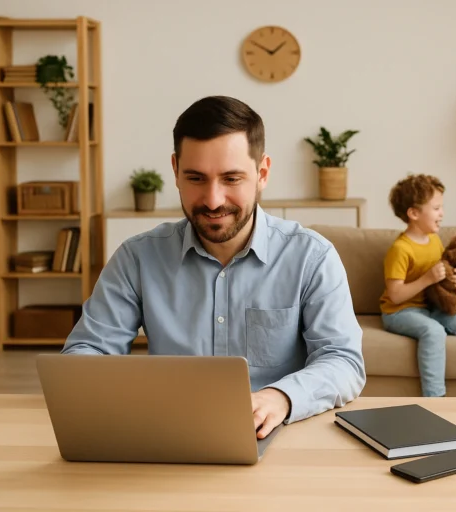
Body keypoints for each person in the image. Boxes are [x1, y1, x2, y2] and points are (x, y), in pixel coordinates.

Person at [62, 95, 366, 438]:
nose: (212, 200)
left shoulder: (312, 257)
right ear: (176, 171)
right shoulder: (137, 258)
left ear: (262, 173)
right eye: (196, 178)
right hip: (167, 435)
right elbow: (86, 351)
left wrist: (281, 397)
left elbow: (343, 361)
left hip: (280, 436)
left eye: (231, 179)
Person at [379, 174, 456, 397]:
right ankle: (435, 397)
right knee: (433, 332)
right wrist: (426, 279)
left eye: (441, 207)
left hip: (430, 307)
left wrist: (455, 279)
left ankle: (435, 325)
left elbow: (442, 273)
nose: (442, 213)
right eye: (436, 208)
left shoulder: (434, 240)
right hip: (400, 311)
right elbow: (395, 296)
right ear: (414, 214)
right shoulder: (400, 249)